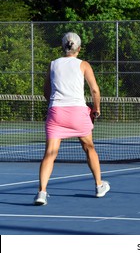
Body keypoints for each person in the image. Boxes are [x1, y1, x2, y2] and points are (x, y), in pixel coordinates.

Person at [33, 32, 110, 205]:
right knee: (89, 147)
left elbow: (46, 91)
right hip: (78, 113)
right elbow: (95, 91)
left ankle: (41, 193)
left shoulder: (53, 65)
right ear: (79, 48)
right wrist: (96, 109)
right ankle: (99, 185)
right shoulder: (83, 65)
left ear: (63, 47)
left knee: (50, 153)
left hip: (56, 113)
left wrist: (55, 104)